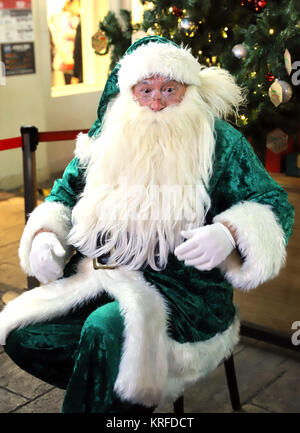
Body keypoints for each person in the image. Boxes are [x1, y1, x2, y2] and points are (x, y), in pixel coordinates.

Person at [0, 36, 294, 413]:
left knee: (107, 331)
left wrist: (230, 232)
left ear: (188, 90)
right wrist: (44, 234)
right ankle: (107, 393)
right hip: (98, 277)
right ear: (129, 93)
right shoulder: (104, 139)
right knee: (25, 334)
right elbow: (65, 193)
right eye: (146, 90)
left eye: (169, 90)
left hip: (184, 294)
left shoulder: (221, 142)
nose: (157, 102)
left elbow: (273, 203)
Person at [49, 0, 81, 86]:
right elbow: (62, 36)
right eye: (78, 3)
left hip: (70, 59)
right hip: (67, 58)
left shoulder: (75, 18)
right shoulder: (63, 18)